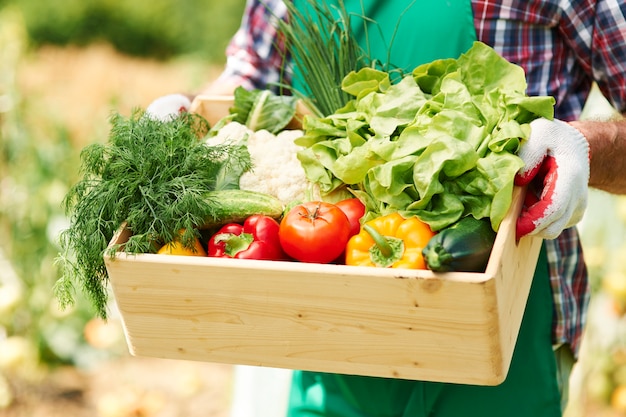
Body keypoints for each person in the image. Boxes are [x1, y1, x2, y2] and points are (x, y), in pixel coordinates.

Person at [148, 1, 626, 416]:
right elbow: (250, 81)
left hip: (506, 329)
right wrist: (186, 109)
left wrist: (586, 146)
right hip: (325, 337)